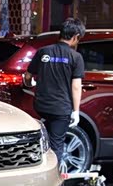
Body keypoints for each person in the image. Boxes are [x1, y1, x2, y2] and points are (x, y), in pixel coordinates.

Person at [24, 18, 86, 164]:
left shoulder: (43, 51)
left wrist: (29, 84)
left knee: (42, 141)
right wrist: (76, 111)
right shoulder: (76, 57)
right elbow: (76, 86)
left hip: (41, 106)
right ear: (75, 36)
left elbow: (27, 76)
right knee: (56, 145)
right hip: (61, 109)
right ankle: (53, 175)